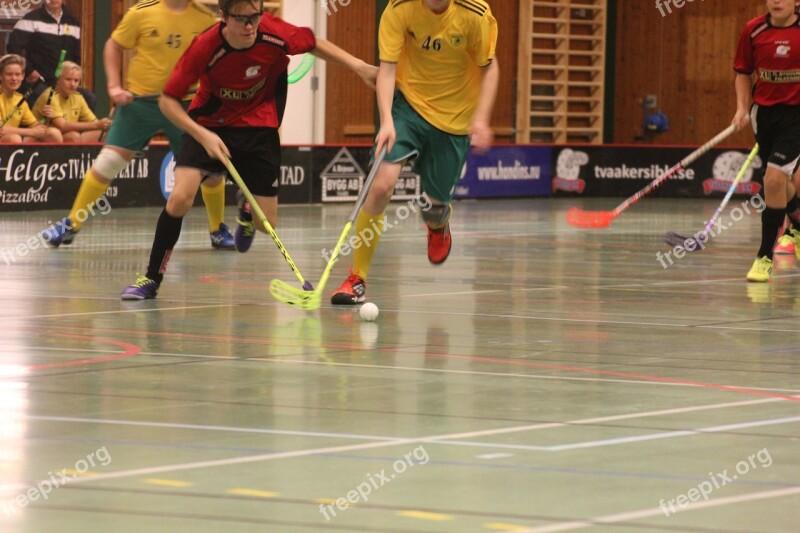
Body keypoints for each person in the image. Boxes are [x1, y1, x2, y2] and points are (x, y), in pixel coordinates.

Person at [119, 0, 377, 300]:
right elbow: (167, 101)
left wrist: (360, 67)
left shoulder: (273, 31)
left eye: (255, 17)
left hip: (259, 125)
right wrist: (203, 136)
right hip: (209, 124)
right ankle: (151, 278)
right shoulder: (205, 46)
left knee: (267, 224)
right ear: (222, 17)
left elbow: (314, 43)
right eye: (241, 19)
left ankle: (246, 209)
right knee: (180, 198)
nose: (249, 26)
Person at [331, 0, 499, 304]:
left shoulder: (475, 14)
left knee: (433, 209)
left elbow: (491, 67)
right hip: (408, 107)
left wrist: (482, 118)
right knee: (381, 186)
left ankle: (438, 225)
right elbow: (388, 69)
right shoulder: (399, 9)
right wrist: (386, 121)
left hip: (454, 120)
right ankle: (356, 278)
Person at [40, 0, 236, 250]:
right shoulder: (141, 12)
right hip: (141, 103)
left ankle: (217, 228)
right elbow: (113, 45)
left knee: (210, 170)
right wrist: (113, 86)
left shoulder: (206, 19)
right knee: (107, 162)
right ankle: (71, 224)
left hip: (186, 104)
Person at [733, 0, 800, 282]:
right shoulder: (754, 30)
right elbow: (743, 73)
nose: (776, 0)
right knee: (782, 182)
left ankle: (763, 257)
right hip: (764, 116)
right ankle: (796, 226)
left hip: (796, 115)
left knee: (773, 179)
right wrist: (741, 108)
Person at [5, 0, 94, 110]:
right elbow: (13, 48)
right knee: (47, 98)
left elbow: (76, 56)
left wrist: (74, 80)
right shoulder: (30, 19)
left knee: (89, 98)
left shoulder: (73, 23)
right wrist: (29, 71)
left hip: (64, 83)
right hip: (39, 81)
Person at [31, 61, 112, 142]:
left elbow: (94, 122)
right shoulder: (50, 95)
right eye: (68, 79)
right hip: (42, 136)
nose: (73, 84)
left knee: (102, 134)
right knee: (73, 136)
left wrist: (104, 124)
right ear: (58, 80)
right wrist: (97, 125)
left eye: (76, 80)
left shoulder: (78, 97)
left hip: (66, 136)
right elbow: (62, 126)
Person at [0, 54, 62, 143]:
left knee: (53, 133)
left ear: (22, 76)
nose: (14, 78)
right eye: (9, 74)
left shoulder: (20, 99)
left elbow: (37, 127)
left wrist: (46, 119)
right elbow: (1, 130)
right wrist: (31, 132)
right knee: (14, 139)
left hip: (14, 140)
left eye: (17, 74)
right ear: (0, 76)